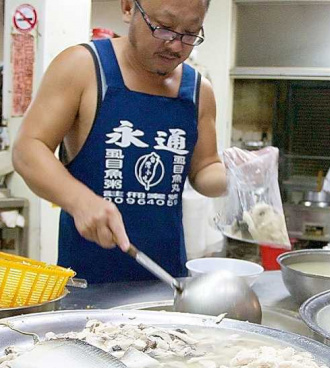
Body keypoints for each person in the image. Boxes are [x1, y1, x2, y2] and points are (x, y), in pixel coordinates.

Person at [13, 0, 226, 284]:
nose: (175, 46)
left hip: (167, 282)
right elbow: (28, 148)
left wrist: (240, 176)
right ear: (128, 7)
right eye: (164, 28)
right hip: (89, 284)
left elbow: (204, 169)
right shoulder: (83, 67)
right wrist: (80, 201)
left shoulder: (199, 91)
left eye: (190, 33)